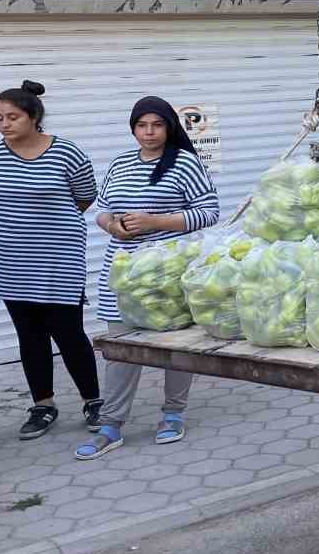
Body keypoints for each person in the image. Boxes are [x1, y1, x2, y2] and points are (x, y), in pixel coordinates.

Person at [77, 97, 219, 460]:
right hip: (123, 274)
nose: (150, 132)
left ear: (169, 126)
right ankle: (111, 425)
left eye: (157, 124)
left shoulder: (184, 162)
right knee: (121, 352)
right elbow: (103, 211)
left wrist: (156, 222)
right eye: (142, 125)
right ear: (134, 128)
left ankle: (173, 414)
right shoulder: (121, 163)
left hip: (167, 275)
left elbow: (209, 212)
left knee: (175, 350)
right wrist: (113, 226)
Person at [0, 81, 103, 440]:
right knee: (29, 335)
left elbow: (85, 197)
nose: (4, 124)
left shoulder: (66, 152)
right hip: (8, 257)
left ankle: (94, 401)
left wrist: (48, 227)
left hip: (58, 257)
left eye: (12, 117)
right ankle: (43, 405)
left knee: (69, 333)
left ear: (34, 117)